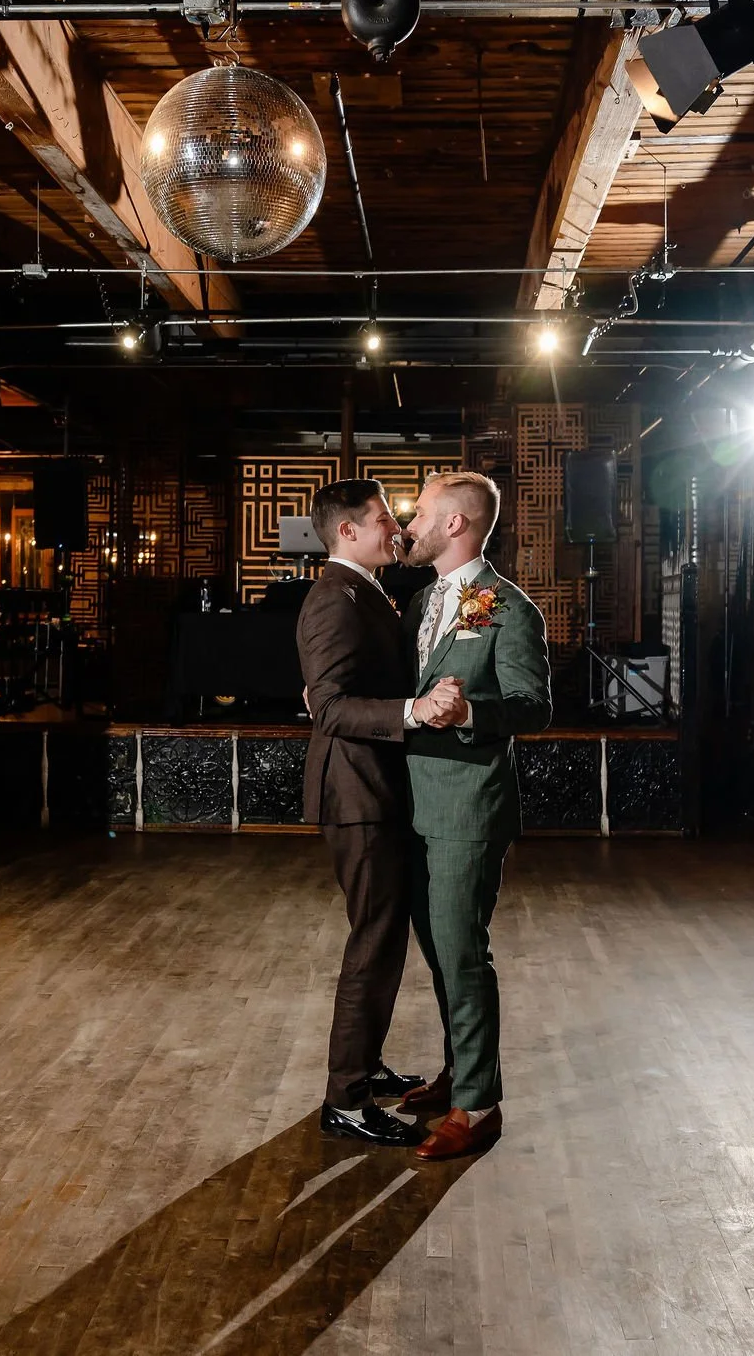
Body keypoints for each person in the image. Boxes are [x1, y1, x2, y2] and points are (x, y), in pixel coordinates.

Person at [394, 470, 552, 1162]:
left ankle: (479, 1103)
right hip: (412, 799)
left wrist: (471, 712)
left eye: (421, 512)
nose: (409, 523)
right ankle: (461, 1069)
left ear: (456, 524)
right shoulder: (424, 600)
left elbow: (533, 704)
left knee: (461, 949)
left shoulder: (503, 606)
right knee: (438, 950)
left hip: (467, 803)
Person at [295, 480, 457, 1149]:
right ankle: (347, 1097)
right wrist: (413, 712)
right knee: (374, 941)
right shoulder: (334, 597)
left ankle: (363, 1067)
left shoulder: (362, 589)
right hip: (357, 793)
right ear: (347, 533)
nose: (396, 527)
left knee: (383, 938)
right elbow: (329, 707)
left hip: (377, 788)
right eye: (384, 518)